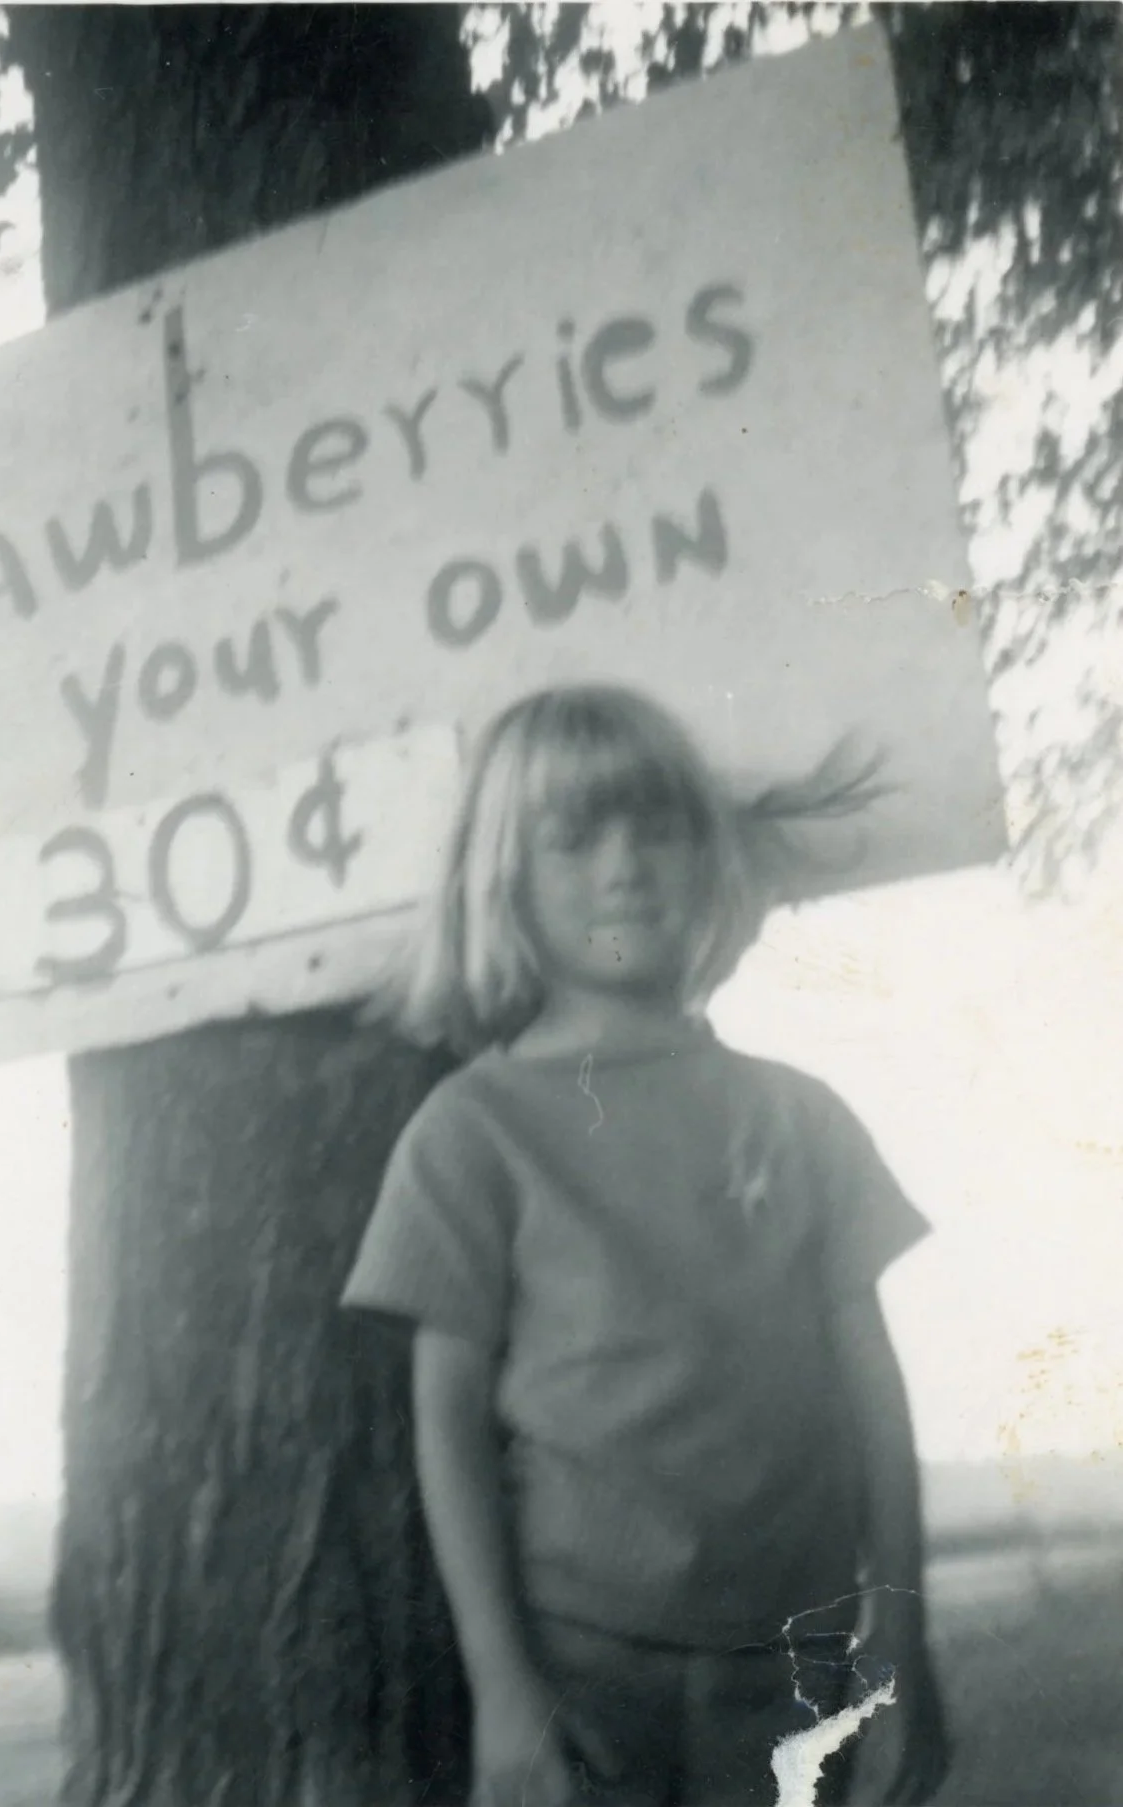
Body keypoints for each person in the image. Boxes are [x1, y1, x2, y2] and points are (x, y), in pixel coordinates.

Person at [341, 685, 950, 1807]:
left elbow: (871, 1382)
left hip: (798, 1665)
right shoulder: (471, 1133)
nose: (624, 867)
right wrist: (503, 1688)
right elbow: (446, 1423)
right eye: (572, 839)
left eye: (655, 828)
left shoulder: (796, 1114)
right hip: (582, 1667)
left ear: (707, 858)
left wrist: (898, 1638)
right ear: (501, 881)